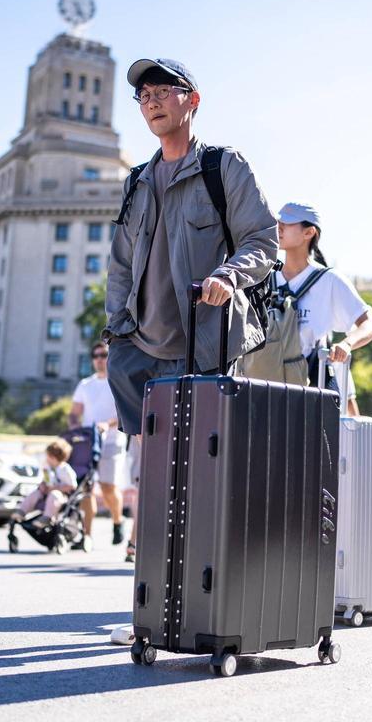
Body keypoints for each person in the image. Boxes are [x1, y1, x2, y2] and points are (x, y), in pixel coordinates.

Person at [104, 57, 278, 644]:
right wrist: (116, 330)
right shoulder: (136, 181)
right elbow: (122, 262)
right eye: (143, 95)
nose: (151, 101)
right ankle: (153, 611)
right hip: (141, 351)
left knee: (193, 483)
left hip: (200, 348)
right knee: (154, 484)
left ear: (192, 100)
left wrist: (230, 275)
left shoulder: (221, 167)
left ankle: (190, 609)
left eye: (162, 91)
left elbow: (264, 239)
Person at [273, 201, 372, 392]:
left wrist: (347, 344)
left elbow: (370, 325)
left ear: (309, 232)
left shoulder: (329, 280)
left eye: (288, 223)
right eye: (278, 222)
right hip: (265, 382)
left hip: (310, 385)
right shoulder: (266, 278)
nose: (279, 227)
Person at [69, 342, 127, 552]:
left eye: (103, 354)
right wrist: (75, 428)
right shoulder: (85, 385)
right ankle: (87, 536)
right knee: (86, 489)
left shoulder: (118, 382)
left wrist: (107, 425)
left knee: (107, 487)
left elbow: (124, 412)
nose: (99, 359)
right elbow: (74, 412)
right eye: (96, 355)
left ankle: (118, 521)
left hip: (112, 442)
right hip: (88, 443)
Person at [12, 439, 77, 527]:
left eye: (48, 457)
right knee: (35, 494)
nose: (46, 458)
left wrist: (55, 488)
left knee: (54, 495)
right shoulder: (47, 467)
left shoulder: (65, 470)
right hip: (46, 493)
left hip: (61, 496)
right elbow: (46, 480)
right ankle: (22, 511)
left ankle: (47, 517)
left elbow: (72, 486)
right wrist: (43, 485)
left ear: (53, 458)